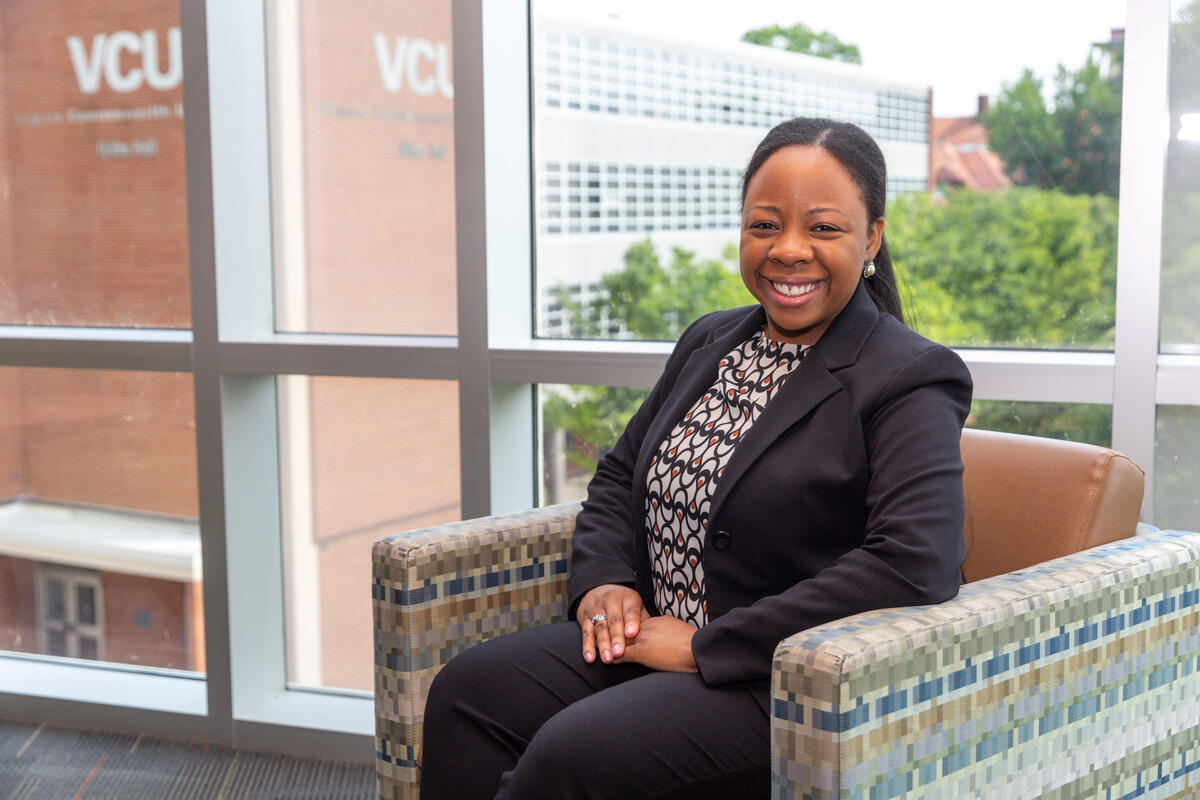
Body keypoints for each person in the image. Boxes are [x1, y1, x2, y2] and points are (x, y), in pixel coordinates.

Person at [419, 117, 973, 799]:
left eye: (823, 228)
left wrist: (706, 646)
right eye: (764, 225)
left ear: (872, 239)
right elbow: (621, 475)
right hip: (652, 639)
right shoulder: (711, 341)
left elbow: (913, 559)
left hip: (777, 683)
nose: (788, 250)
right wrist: (605, 581)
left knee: (571, 756)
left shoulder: (910, 374)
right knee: (467, 694)